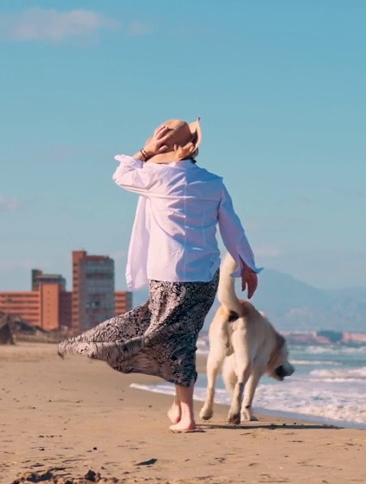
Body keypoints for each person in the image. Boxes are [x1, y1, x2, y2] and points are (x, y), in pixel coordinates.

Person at [58, 118, 260, 433]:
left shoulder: (155, 177)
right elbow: (233, 228)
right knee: (180, 338)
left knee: (171, 340)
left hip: (166, 274)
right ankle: (180, 408)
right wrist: (247, 264)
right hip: (204, 276)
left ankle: (188, 418)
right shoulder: (213, 183)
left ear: (166, 150)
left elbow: (121, 174)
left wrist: (145, 150)